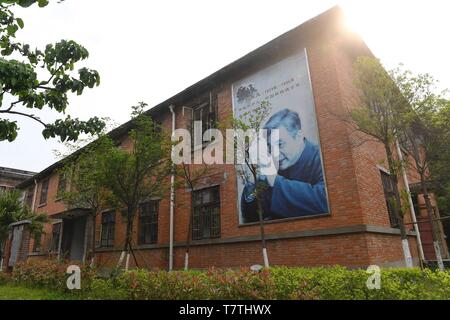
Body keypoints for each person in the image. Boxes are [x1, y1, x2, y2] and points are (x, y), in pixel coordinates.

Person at [241, 108, 328, 223]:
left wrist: (275, 181)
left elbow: (325, 201)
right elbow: (251, 216)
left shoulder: (322, 157)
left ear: (298, 136)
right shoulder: (276, 165)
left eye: (280, 144)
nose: (275, 154)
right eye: (270, 147)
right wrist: (252, 184)